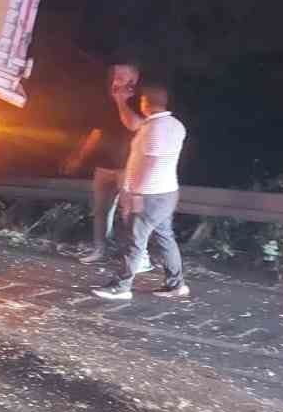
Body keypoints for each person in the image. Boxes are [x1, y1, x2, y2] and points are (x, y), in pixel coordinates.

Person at [93, 82, 189, 301]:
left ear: (146, 103)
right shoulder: (173, 124)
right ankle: (176, 284)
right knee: (165, 237)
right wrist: (121, 101)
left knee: (135, 240)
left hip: (149, 195)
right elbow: (133, 123)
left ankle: (122, 286)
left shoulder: (154, 128)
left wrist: (134, 193)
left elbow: (151, 161)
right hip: (167, 192)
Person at [64, 61, 139, 263]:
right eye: (115, 75)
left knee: (128, 214)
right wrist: (78, 156)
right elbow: (96, 132)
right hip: (103, 166)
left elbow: (134, 126)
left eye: (122, 76)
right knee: (100, 211)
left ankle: (133, 256)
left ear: (134, 79)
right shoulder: (106, 100)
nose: (117, 79)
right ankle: (99, 249)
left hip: (128, 167)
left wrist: (121, 101)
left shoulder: (139, 101)